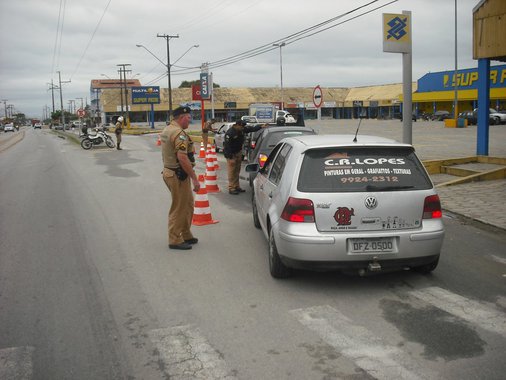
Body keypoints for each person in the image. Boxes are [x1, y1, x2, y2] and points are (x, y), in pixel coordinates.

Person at [160, 106, 200, 250]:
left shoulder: (168, 129)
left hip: (170, 172)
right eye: (189, 117)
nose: (190, 120)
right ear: (182, 117)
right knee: (179, 207)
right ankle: (175, 239)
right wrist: (194, 178)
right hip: (178, 175)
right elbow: (182, 158)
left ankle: (185, 233)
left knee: (187, 204)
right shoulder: (179, 133)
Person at [223, 119, 266, 194]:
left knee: (237, 171)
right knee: (232, 171)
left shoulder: (241, 130)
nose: (243, 127)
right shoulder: (230, 133)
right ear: (237, 125)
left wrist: (261, 126)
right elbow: (227, 145)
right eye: (242, 126)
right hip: (231, 154)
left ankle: (236, 186)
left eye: (243, 126)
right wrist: (230, 156)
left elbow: (251, 129)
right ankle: (231, 188)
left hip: (238, 152)